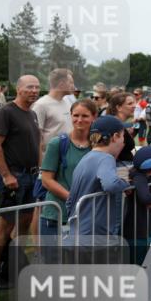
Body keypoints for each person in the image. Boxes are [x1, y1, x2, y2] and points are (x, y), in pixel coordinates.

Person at [0, 75, 41, 289]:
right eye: (29, 87)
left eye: (37, 87)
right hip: (14, 177)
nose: (34, 90)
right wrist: (7, 175)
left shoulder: (32, 114)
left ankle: (12, 267)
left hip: (31, 176)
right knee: (5, 226)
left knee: (24, 223)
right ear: (18, 89)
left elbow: (37, 144)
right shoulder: (6, 112)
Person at [39, 99, 97, 238]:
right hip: (57, 215)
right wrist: (74, 200)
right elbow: (46, 180)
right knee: (54, 259)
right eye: (76, 115)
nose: (79, 120)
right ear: (70, 116)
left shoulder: (97, 146)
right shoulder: (58, 143)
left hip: (87, 216)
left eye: (85, 116)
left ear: (94, 117)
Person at [66, 115, 131, 237]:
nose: (123, 141)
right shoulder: (106, 158)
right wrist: (127, 183)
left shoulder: (86, 158)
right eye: (123, 137)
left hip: (78, 228)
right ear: (115, 137)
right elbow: (111, 184)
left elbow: (70, 200)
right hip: (95, 231)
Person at [123, 145, 151, 264]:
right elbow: (145, 198)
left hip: (144, 231)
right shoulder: (138, 176)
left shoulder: (148, 176)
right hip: (137, 233)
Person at [32, 68, 75, 152]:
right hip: (49, 160)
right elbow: (36, 139)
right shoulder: (41, 105)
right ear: (62, 84)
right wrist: (41, 164)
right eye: (71, 83)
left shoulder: (67, 102)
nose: (74, 86)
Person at [106, 91, 137, 163]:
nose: (134, 106)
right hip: (120, 168)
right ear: (119, 107)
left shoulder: (117, 124)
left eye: (134, 103)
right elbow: (112, 154)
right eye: (130, 104)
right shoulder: (115, 125)